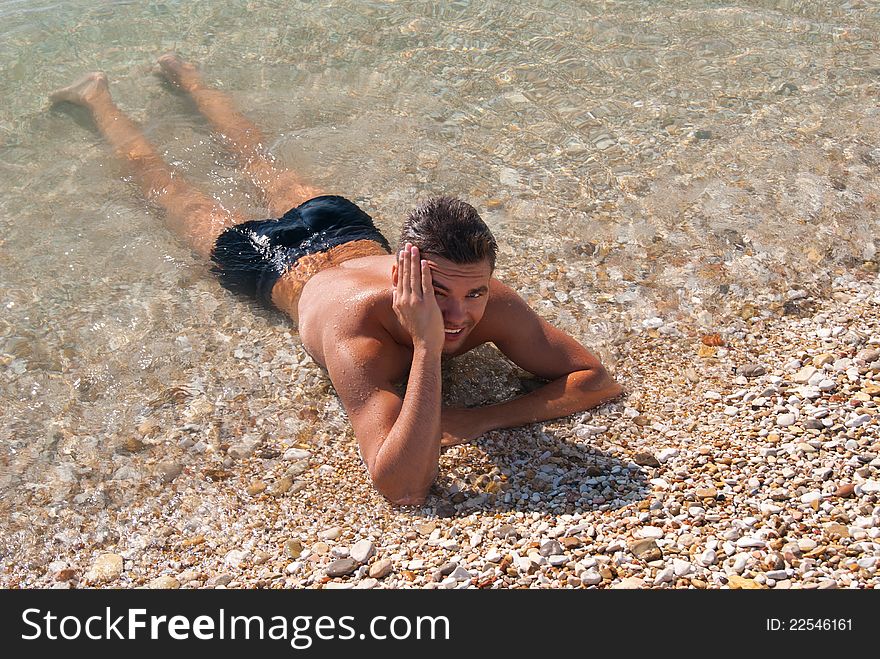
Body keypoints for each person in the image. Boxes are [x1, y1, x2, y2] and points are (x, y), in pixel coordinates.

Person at [51, 55, 624, 505]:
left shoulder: (485, 301)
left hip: (342, 226)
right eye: (439, 291)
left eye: (474, 292)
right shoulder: (360, 338)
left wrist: (476, 418)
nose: (461, 314)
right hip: (268, 261)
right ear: (404, 272)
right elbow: (401, 486)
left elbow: (598, 380)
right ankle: (96, 97)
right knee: (168, 187)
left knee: (257, 155)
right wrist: (426, 345)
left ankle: (186, 78)